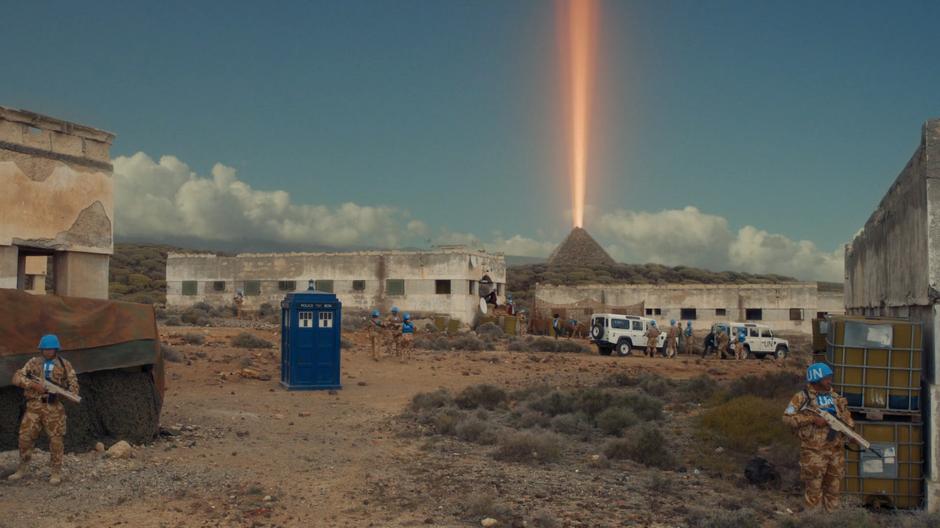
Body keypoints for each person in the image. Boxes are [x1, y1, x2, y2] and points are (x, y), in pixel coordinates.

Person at [8, 334, 80, 485]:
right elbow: (16, 378)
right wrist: (33, 386)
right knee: (25, 438)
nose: (48, 351)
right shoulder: (33, 363)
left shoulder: (64, 365)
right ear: (41, 349)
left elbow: (73, 385)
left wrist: (66, 392)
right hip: (33, 406)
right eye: (45, 349)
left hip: (53, 408)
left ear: (56, 349)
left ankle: (56, 472)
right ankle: (22, 468)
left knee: (56, 440)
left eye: (51, 349)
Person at [783, 363, 855, 512]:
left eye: (830, 377)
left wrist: (850, 432)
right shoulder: (802, 397)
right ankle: (813, 521)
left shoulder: (835, 398)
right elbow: (787, 418)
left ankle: (831, 521)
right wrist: (813, 419)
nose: (830, 380)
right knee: (814, 491)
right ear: (816, 379)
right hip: (813, 452)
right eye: (826, 378)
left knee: (833, 491)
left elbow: (847, 418)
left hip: (835, 451)